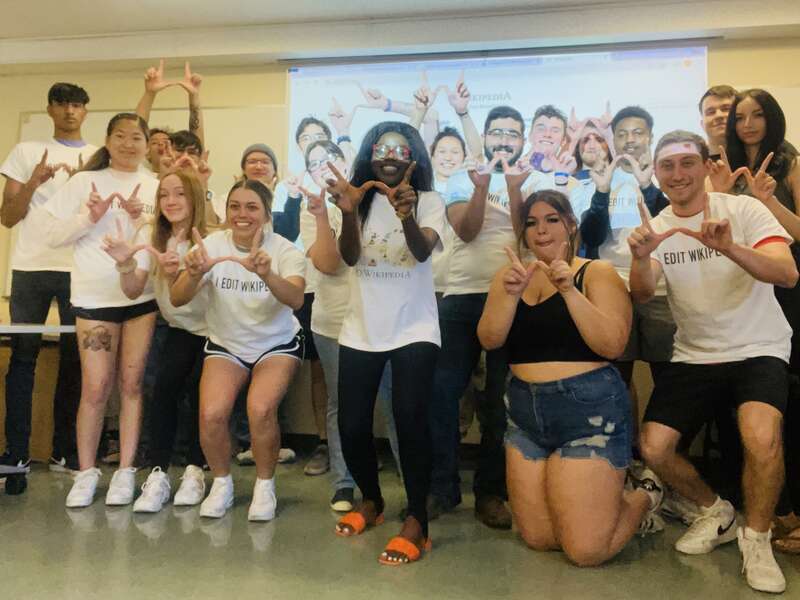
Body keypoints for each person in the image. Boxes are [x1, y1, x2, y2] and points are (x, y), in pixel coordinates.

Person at [631, 130, 797, 593]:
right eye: (667, 166)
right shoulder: (657, 225)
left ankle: (757, 538)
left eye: (688, 162)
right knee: (654, 448)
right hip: (695, 354)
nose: (678, 174)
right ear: (656, 174)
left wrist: (729, 248)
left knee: (762, 438)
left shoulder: (743, 210)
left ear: (706, 166)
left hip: (758, 346)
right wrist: (641, 258)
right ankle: (716, 511)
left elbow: (787, 273)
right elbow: (642, 293)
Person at [477, 189, 663, 565]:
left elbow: (613, 344)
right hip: (526, 414)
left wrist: (568, 292)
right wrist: (510, 295)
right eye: (532, 223)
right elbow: (490, 339)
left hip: (588, 413)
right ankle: (605, 503)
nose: (541, 230)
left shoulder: (596, 272)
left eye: (552, 220)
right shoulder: (511, 275)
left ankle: (647, 494)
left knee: (586, 551)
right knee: (540, 539)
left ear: (571, 225)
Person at [322, 121, 443, 566]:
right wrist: (349, 212)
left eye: (400, 150)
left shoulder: (429, 201)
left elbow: (422, 252)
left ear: (414, 158)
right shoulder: (358, 199)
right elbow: (351, 257)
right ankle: (371, 501)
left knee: (410, 420)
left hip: (415, 328)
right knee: (352, 425)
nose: (390, 157)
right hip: (362, 328)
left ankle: (417, 521)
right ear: (370, 156)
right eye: (382, 149)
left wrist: (406, 215)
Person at [42, 113, 159, 508]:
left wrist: (143, 218)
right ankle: (87, 471)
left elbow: (162, 239)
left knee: (132, 386)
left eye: (137, 137)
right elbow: (51, 236)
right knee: (95, 388)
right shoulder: (83, 183)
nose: (128, 144)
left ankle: (126, 470)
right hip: (94, 299)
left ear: (147, 144)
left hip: (140, 297)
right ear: (107, 141)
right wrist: (88, 217)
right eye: (120, 136)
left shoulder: (155, 185)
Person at [170, 179, 306, 521]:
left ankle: (264, 486)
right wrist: (193, 273)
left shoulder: (285, 250)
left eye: (251, 207)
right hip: (227, 344)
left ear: (267, 213)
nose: (242, 214)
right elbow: (177, 298)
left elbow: (295, 299)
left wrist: (267, 274)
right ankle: (222, 483)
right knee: (211, 413)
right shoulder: (211, 246)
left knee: (260, 409)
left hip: (276, 343)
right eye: (235, 206)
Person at [431, 106, 535, 528]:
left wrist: (514, 189)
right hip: (460, 297)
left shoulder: (534, 178)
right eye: (497, 133)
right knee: (441, 394)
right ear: (486, 137)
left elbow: (529, 235)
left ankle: (490, 493)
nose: (504, 140)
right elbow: (467, 230)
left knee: (499, 402)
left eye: (512, 133)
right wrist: (482, 187)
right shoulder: (462, 176)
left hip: (511, 297)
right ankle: (442, 488)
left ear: (522, 140)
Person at [719, 89, 800, 555]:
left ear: (773, 118)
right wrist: (721, 192)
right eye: (740, 117)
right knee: (744, 407)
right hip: (740, 294)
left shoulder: (790, 164)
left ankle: (791, 511)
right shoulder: (725, 168)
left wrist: (767, 201)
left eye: (757, 115)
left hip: (788, 290)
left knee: (789, 405)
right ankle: (758, 507)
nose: (748, 124)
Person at [299, 140, 400, 511]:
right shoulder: (312, 209)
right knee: (340, 404)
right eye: (315, 163)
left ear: (348, 162)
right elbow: (329, 264)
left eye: (331, 159)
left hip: (382, 321)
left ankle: (413, 485)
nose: (325, 167)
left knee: (396, 404)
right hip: (333, 322)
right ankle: (345, 482)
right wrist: (324, 216)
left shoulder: (378, 202)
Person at [0, 82, 96, 476]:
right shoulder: (26, 152)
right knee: (23, 358)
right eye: (62, 104)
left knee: (77, 362)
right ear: (50, 109)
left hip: (80, 269)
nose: (70, 111)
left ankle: (64, 452)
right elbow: (8, 217)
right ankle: (16, 453)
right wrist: (34, 183)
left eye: (77, 104)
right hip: (31, 267)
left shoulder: (97, 156)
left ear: (85, 111)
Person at [101, 169, 210, 513]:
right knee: (162, 391)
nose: (171, 201)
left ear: (195, 197)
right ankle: (158, 473)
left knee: (201, 396)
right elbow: (134, 289)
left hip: (215, 332)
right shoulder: (152, 236)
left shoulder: (211, 236)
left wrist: (185, 271)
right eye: (164, 194)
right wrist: (125, 263)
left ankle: (195, 470)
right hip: (179, 328)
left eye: (179, 193)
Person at [576, 106, 673, 390]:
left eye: (637, 132)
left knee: (669, 377)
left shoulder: (668, 173)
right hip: (614, 289)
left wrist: (648, 187)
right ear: (613, 139)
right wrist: (601, 192)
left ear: (650, 137)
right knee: (617, 378)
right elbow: (591, 237)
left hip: (660, 290)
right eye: (622, 134)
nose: (630, 139)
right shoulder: (600, 178)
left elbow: (672, 226)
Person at [135, 59, 205, 175]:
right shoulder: (142, 174)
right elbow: (135, 131)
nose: (161, 145)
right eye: (154, 142)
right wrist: (149, 93)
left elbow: (196, 142)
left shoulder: (186, 175)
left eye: (166, 142)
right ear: (146, 152)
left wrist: (194, 95)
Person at [698, 85, 737, 161]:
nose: (718, 115)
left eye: (726, 109)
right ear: (702, 124)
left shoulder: (756, 159)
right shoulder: (695, 162)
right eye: (711, 112)